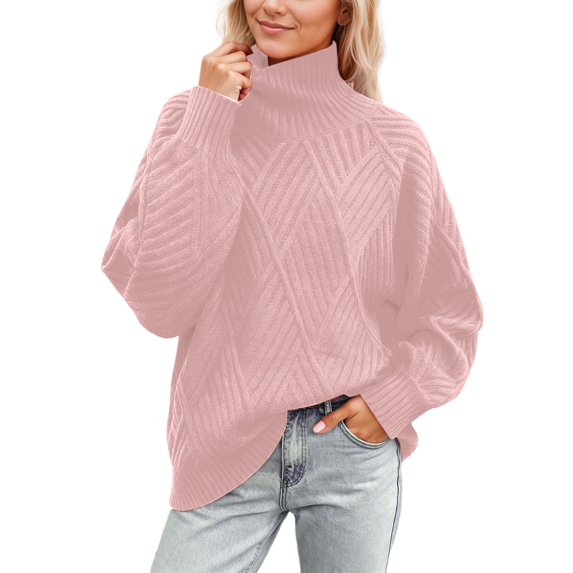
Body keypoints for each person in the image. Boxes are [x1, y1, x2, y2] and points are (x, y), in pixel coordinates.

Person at [101, 0, 484, 571]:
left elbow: (449, 311)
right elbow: (160, 303)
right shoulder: (191, 118)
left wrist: (390, 404)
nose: (273, 4)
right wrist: (209, 117)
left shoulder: (394, 143)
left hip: (350, 450)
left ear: (346, 10)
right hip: (224, 445)